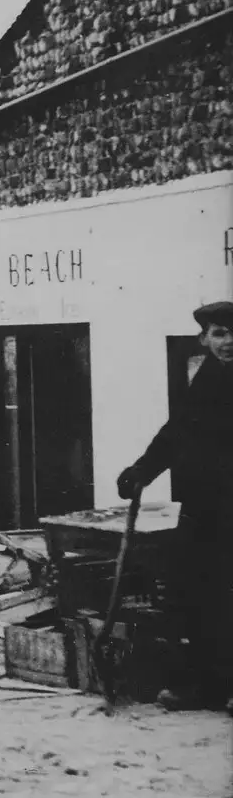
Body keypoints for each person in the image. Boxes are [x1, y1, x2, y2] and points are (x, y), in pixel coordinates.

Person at [116, 301, 233, 713]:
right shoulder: (207, 377)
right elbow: (177, 431)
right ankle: (206, 686)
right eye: (219, 333)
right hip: (204, 505)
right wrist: (141, 470)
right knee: (196, 593)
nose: (228, 342)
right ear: (205, 338)